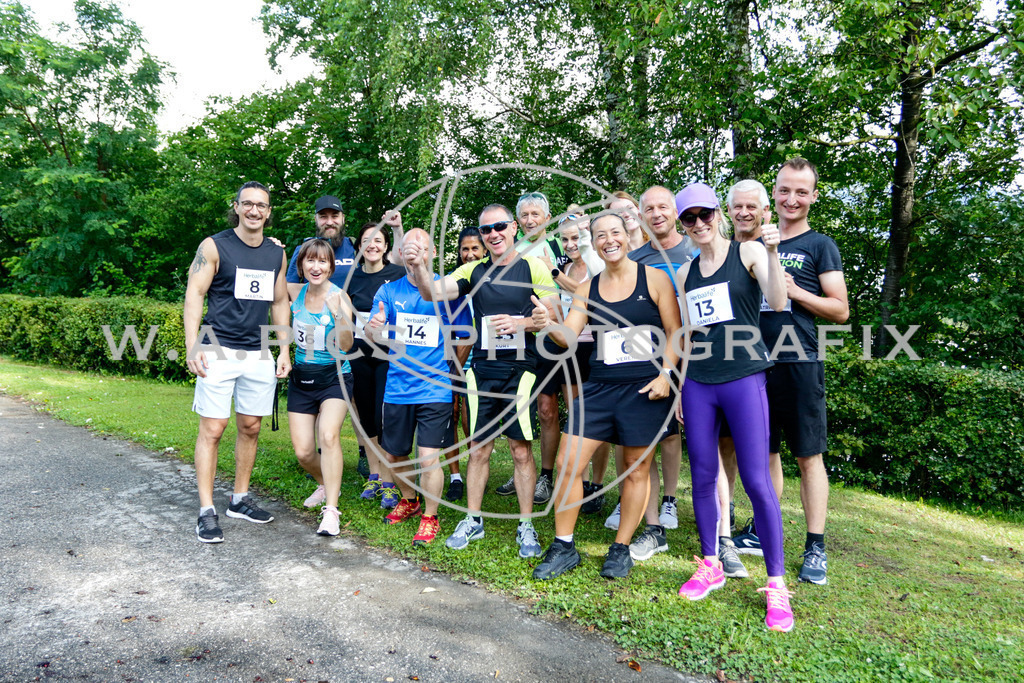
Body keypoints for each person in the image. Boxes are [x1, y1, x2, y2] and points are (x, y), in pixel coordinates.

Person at [530, 211, 681, 580]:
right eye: (600, 235)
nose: (609, 240)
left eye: (615, 232)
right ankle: (564, 545)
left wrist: (666, 375)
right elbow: (568, 337)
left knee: (636, 469)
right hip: (599, 387)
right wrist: (548, 324)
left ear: (627, 237)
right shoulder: (587, 288)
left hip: (645, 388)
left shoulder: (656, 279)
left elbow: (677, 332)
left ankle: (621, 547)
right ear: (592, 242)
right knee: (568, 463)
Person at [404, 203, 559, 558]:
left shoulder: (534, 266)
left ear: (514, 229)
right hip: (482, 372)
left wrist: (527, 322)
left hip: (520, 371)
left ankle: (526, 525)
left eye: (500, 226)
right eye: (486, 230)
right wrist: (418, 266)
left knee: (521, 451)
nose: (493, 234)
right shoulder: (473, 270)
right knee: (479, 449)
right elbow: (431, 292)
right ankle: (473, 520)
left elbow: (554, 313)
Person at [673, 181, 794, 632]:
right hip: (701, 383)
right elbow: (690, 335)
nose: (700, 224)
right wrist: (683, 382)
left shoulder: (749, 253)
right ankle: (710, 563)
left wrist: (775, 253)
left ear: (718, 215)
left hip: (744, 379)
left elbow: (778, 302)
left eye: (705, 214)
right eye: (690, 218)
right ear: (683, 225)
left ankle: (777, 585)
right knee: (703, 476)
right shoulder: (686, 274)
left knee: (758, 481)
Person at [732, 158, 849, 587]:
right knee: (766, 455)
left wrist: (796, 291)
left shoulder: (820, 245)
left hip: (798, 361)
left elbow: (840, 310)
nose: (792, 199)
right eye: (784, 190)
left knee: (808, 455)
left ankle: (814, 546)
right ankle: (765, 531)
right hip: (751, 363)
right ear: (772, 196)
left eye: (801, 192)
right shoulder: (747, 243)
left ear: (813, 197)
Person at [184, 180, 291, 544]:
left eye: (261, 205)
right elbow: (195, 295)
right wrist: (191, 346)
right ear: (237, 206)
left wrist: (284, 350)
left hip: (258, 351)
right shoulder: (214, 246)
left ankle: (239, 499)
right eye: (248, 204)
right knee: (212, 429)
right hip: (216, 347)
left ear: (269, 211)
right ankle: (206, 510)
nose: (254, 210)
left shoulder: (276, 254)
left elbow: (279, 303)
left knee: (250, 427)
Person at [285, 197, 404, 479]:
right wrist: (309, 313)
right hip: (328, 339)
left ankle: (369, 458)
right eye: (323, 216)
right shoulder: (304, 247)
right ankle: (325, 456)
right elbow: (291, 286)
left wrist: (398, 230)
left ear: (342, 218)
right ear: (316, 219)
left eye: (334, 216)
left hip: (365, 341)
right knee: (343, 401)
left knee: (364, 406)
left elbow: (394, 265)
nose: (329, 221)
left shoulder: (355, 246)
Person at [365, 228, 470, 544]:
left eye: (422, 248)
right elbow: (375, 336)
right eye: (409, 247)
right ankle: (409, 499)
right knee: (395, 456)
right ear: (400, 251)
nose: (415, 253)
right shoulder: (387, 292)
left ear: (432, 253)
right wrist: (375, 330)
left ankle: (430, 516)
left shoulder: (446, 289)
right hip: (398, 387)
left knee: (428, 458)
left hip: (434, 387)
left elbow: (462, 331)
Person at [611, 186, 692, 560]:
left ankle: (682, 504)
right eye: (650, 209)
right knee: (643, 446)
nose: (656, 214)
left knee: (684, 438)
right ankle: (653, 523)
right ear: (641, 215)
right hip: (647, 360)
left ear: (674, 211)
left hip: (699, 356)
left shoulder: (693, 247)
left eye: (664, 207)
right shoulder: (637, 257)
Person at [494, 192, 568, 506]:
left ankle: (547, 475)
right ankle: (523, 467)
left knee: (549, 409)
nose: (530, 220)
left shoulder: (563, 245)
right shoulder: (512, 250)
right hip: (521, 339)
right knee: (521, 407)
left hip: (557, 336)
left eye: (536, 214)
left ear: (547, 218)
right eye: (524, 215)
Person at [716, 178, 774, 577]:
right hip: (715, 367)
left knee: (767, 454)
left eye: (752, 205)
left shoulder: (766, 246)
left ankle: (760, 530)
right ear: (728, 210)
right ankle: (725, 524)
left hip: (768, 361)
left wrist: (772, 253)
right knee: (720, 448)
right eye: (737, 206)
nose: (744, 212)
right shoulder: (714, 252)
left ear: (764, 210)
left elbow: (780, 299)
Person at [286, 239, 356, 536]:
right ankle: (324, 484)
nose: (316, 267)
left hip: (336, 377)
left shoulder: (341, 297)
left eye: (323, 261)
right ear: (301, 265)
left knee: (328, 436)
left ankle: (332, 511)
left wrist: (338, 313)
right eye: (310, 261)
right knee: (303, 452)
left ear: (331, 266)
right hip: (303, 378)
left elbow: (347, 345)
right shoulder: (296, 294)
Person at [551, 211, 610, 515]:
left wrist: (557, 278)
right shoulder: (563, 267)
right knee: (576, 416)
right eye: (564, 239)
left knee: (598, 418)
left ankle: (597, 484)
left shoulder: (598, 263)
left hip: (597, 347)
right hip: (571, 348)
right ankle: (582, 483)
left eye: (575, 237)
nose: (570, 244)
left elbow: (594, 300)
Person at [347, 222, 408, 508]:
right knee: (366, 417)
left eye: (378, 240)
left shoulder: (397, 275)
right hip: (358, 355)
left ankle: (388, 480)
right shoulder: (351, 278)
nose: (372, 245)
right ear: (359, 246)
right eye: (366, 240)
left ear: (386, 246)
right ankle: (374, 474)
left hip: (388, 355)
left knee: (383, 416)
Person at [445, 226, 487, 502]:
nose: (470, 254)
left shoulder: (493, 279)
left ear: (485, 250)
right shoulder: (453, 282)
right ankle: (455, 476)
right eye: (465, 249)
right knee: (450, 412)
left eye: (475, 248)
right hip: (452, 355)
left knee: (471, 417)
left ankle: (475, 466)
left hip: (482, 358)